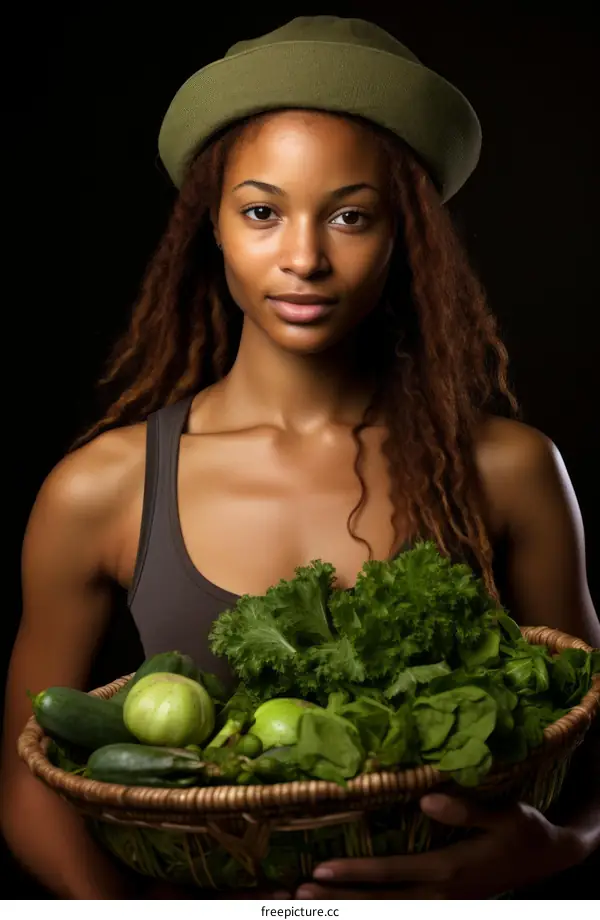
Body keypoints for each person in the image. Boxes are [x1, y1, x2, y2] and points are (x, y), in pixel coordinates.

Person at [1, 14, 599, 901]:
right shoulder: (102, 489)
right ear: (213, 226)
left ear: (406, 239)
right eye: (262, 212)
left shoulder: (511, 470)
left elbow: (591, 758)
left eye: (351, 216)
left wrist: (550, 850)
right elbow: (29, 786)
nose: (305, 258)